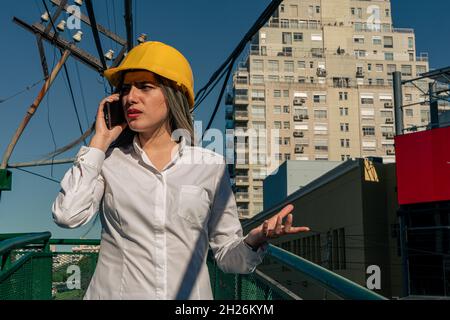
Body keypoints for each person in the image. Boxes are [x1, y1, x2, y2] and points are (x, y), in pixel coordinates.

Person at [52, 41, 310, 300]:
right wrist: (99, 142)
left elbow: (229, 259)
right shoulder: (107, 162)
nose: (131, 97)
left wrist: (254, 240)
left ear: (173, 94)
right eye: (126, 89)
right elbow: (68, 215)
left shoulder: (210, 166)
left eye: (145, 86)